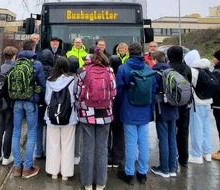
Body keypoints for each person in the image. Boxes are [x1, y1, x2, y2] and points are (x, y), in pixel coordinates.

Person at [75, 49, 116, 190]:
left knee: (87, 146)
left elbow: (77, 93)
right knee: (102, 148)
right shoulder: (109, 70)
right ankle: (101, 183)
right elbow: (114, 93)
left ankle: (87, 183)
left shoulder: (82, 71)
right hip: (105, 113)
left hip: (87, 114)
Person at [116, 43, 156, 185]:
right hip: (145, 109)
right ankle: (142, 173)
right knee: (143, 141)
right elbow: (153, 91)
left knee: (131, 142)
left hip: (129, 108)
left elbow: (118, 90)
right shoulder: (148, 68)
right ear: (140, 53)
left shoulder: (123, 68)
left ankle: (129, 173)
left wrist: (119, 108)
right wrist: (151, 110)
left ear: (128, 52)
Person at [11, 39, 46, 179]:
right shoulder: (36, 64)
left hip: (17, 102)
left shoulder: (15, 63)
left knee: (16, 132)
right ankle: (27, 168)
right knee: (31, 133)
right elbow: (43, 84)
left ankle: (16, 167)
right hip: (31, 102)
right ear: (33, 49)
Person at [44, 56, 77, 180]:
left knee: (53, 144)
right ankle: (66, 174)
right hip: (69, 117)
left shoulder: (49, 80)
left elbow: (47, 99)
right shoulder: (72, 80)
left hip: (52, 117)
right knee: (67, 145)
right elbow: (74, 98)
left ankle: (53, 171)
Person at [150, 50, 179, 178]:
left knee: (163, 139)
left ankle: (164, 168)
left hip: (161, 109)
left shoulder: (156, 73)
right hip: (174, 108)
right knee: (172, 138)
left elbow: (153, 91)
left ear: (155, 60)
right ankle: (173, 168)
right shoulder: (172, 71)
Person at [184, 50, 213, 164]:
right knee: (206, 128)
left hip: (196, 103)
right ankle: (207, 153)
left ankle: (196, 154)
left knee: (196, 129)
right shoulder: (206, 69)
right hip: (206, 102)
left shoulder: (193, 71)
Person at [0, 46, 18, 166]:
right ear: (14, 56)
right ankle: (6, 157)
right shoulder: (14, 68)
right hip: (10, 103)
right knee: (9, 129)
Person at [167, 45, 192, 168]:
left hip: (171, 104)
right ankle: (184, 158)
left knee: (169, 131)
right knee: (183, 131)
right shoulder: (187, 68)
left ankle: (171, 157)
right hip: (185, 104)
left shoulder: (168, 68)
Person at [34, 49, 55, 159]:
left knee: (38, 126)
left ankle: (38, 151)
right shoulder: (54, 71)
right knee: (49, 127)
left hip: (39, 101)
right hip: (50, 102)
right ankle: (47, 151)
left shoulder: (37, 69)